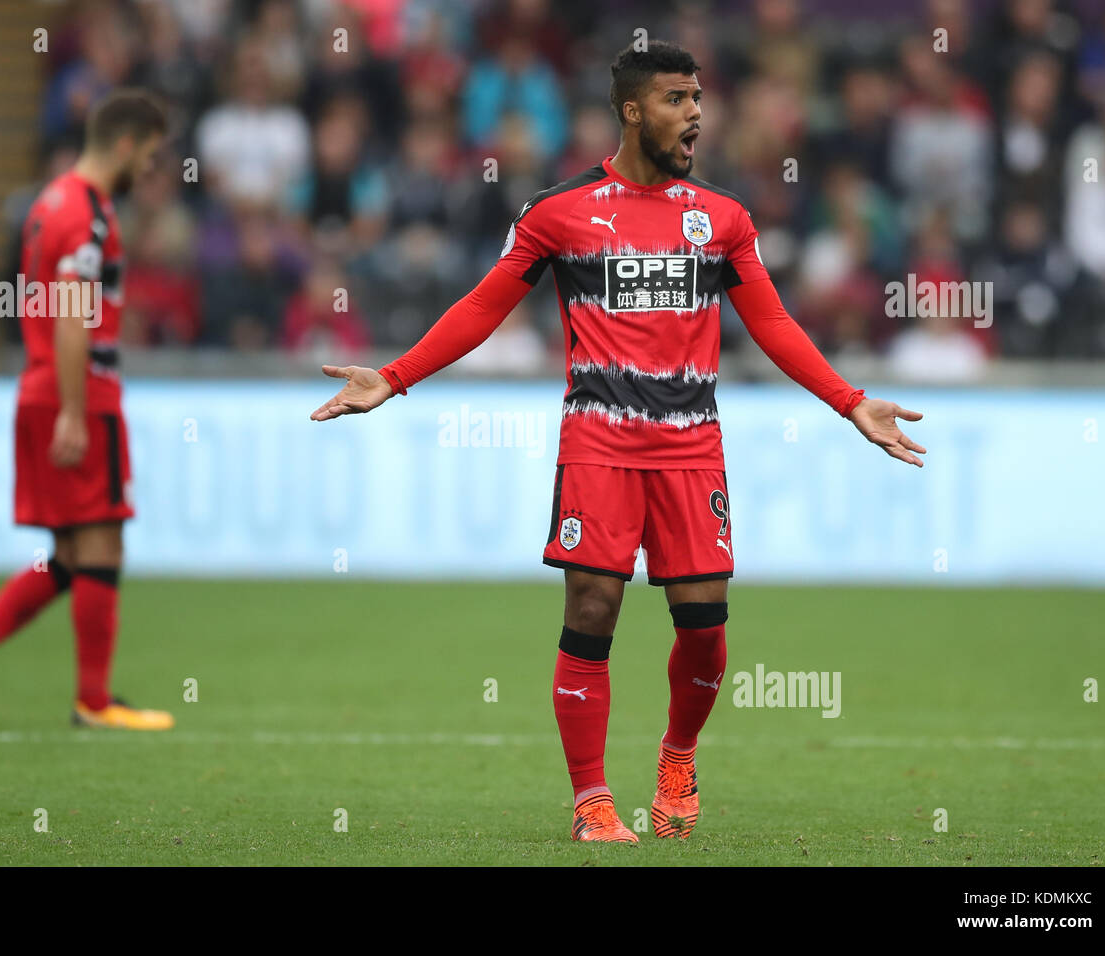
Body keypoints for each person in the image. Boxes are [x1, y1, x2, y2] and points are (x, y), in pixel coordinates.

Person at [310, 42, 925, 842]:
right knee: (592, 606)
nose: (696, 112)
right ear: (633, 111)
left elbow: (769, 322)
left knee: (705, 633)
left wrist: (851, 403)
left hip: (690, 448)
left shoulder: (723, 220)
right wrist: (393, 378)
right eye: (677, 99)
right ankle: (592, 800)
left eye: (699, 97)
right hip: (597, 444)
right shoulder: (558, 212)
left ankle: (677, 755)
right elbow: (483, 306)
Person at [0, 90, 175, 732]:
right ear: (125, 143)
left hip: (43, 385)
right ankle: (92, 700)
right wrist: (73, 410)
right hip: (79, 394)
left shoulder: (48, 201)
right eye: (150, 153)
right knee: (103, 539)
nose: (151, 167)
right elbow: (72, 313)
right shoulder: (87, 215)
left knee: (69, 552)